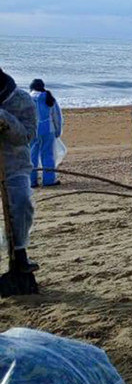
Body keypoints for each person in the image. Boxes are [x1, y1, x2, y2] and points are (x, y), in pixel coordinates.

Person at [0, 67, 40, 272]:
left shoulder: (22, 99)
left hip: (15, 164)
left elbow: (27, 136)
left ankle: (19, 254)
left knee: (22, 204)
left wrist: (5, 120)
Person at [28, 79, 63, 188]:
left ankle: (32, 181)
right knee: (48, 155)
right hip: (48, 130)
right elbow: (57, 117)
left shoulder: (28, 98)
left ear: (32, 87)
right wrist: (58, 131)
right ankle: (48, 180)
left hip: (33, 131)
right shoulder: (49, 98)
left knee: (31, 155)